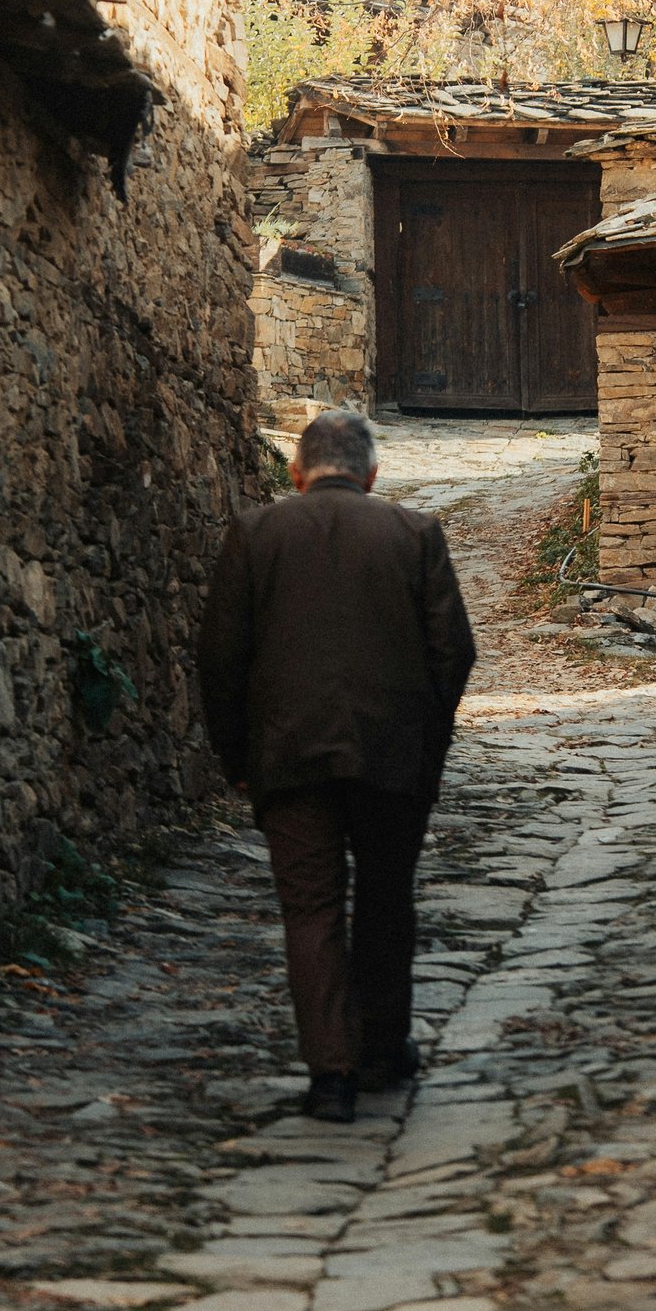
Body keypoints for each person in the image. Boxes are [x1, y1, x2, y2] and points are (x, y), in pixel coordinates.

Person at [196, 407, 477, 1123]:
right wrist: (427, 741)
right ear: (372, 473)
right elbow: (454, 651)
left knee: (311, 909)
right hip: (390, 756)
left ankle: (330, 1075)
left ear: (296, 472)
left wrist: (238, 756)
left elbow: (221, 659)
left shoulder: (255, 536)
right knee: (386, 898)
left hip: (288, 757)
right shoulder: (415, 534)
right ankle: (383, 1048)